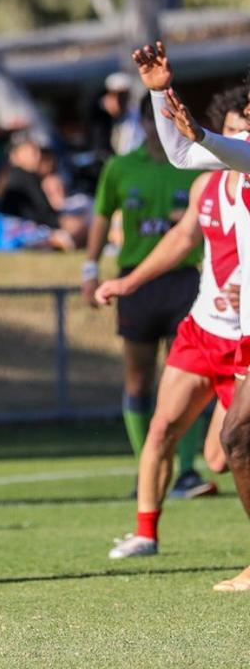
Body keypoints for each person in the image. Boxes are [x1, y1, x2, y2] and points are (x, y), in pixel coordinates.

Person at [94, 105, 250, 558]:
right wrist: (128, 280)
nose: (240, 138)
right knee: (162, 428)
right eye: (234, 130)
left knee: (225, 454)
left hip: (241, 337)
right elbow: (182, 234)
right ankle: (146, 531)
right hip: (205, 329)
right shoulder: (206, 185)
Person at [132, 40, 250, 590]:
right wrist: (159, 95)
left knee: (236, 439)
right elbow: (181, 155)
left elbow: (215, 148)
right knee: (236, 440)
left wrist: (203, 134)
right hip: (234, 329)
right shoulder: (223, 170)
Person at [81, 95, 211, 498]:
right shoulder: (121, 167)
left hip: (183, 281)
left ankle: (185, 471)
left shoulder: (192, 165)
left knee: (185, 379)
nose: (162, 127)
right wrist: (90, 269)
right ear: (143, 122)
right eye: (155, 120)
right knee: (138, 380)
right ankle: (148, 466)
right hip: (136, 281)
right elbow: (102, 216)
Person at [88, 72, 145, 160]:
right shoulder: (101, 121)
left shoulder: (139, 117)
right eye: (114, 96)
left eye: (123, 96)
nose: (118, 101)